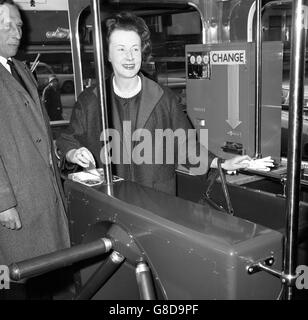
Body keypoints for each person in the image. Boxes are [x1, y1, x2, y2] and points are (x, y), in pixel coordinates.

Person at [57, 12, 251, 195]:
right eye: (121, 49)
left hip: (156, 198)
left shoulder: (163, 98)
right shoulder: (91, 101)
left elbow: (186, 145)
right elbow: (68, 139)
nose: (130, 57)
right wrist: (73, 153)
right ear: (108, 54)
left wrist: (221, 163)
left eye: (135, 49)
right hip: (109, 198)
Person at [0, 0, 70, 298]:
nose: (16, 32)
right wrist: (3, 202)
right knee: (14, 281)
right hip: (14, 198)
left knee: (42, 279)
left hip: (39, 191)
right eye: (6, 25)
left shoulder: (20, 69)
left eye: (18, 26)